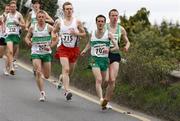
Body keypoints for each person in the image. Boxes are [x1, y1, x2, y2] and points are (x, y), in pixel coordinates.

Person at [81, 15, 119, 110]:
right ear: (96, 22)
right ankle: (101, 100)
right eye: (99, 21)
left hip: (104, 60)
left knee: (106, 80)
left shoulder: (108, 34)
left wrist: (110, 50)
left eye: (102, 21)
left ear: (104, 23)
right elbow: (90, 43)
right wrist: (85, 50)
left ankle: (104, 98)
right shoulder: (93, 33)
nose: (100, 23)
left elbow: (117, 47)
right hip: (94, 59)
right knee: (98, 79)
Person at [53, 2, 86, 100]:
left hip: (74, 49)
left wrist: (77, 33)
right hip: (63, 48)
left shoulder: (77, 22)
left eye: (70, 9)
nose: (69, 11)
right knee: (66, 69)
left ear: (73, 10)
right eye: (67, 9)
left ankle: (61, 78)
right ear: (63, 11)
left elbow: (84, 34)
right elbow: (54, 31)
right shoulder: (60, 22)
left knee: (69, 72)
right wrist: (54, 36)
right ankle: (67, 91)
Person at [25, 10, 57, 101]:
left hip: (46, 53)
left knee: (47, 76)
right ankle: (42, 93)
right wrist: (29, 42)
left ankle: (42, 75)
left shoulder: (49, 28)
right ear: (37, 18)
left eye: (43, 17)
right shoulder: (32, 27)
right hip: (36, 53)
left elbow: (56, 38)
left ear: (45, 18)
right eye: (39, 17)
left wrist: (50, 46)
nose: (41, 19)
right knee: (38, 72)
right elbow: (27, 37)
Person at [104, 9, 130, 107]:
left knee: (112, 80)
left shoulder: (121, 29)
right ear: (109, 17)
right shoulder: (104, 27)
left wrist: (127, 46)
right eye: (113, 15)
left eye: (116, 15)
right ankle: (99, 88)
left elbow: (127, 41)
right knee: (106, 80)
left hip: (115, 54)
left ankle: (106, 101)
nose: (115, 17)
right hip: (104, 54)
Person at [4, 1, 25, 75]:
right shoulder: (6, 15)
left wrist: (18, 23)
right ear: (9, 7)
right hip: (8, 35)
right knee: (10, 51)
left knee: (11, 54)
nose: (12, 8)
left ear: (16, 7)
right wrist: (4, 30)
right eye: (11, 7)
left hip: (16, 36)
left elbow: (24, 25)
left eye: (14, 6)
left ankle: (6, 68)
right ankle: (11, 67)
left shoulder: (19, 15)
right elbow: (3, 23)